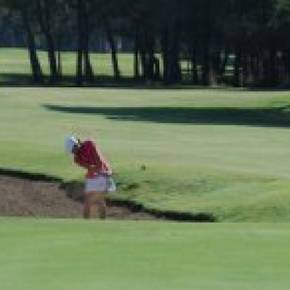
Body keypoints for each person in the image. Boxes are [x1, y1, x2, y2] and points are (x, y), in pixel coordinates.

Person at [65, 136, 116, 219]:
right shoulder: (77, 159)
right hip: (94, 174)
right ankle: (87, 224)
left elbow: (99, 162)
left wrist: (107, 171)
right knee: (89, 201)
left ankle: (101, 223)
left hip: (103, 171)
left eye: (73, 150)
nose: (73, 153)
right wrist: (93, 172)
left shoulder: (89, 143)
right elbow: (90, 167)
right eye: (72, 152)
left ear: (76, 145)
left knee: (98, 200)